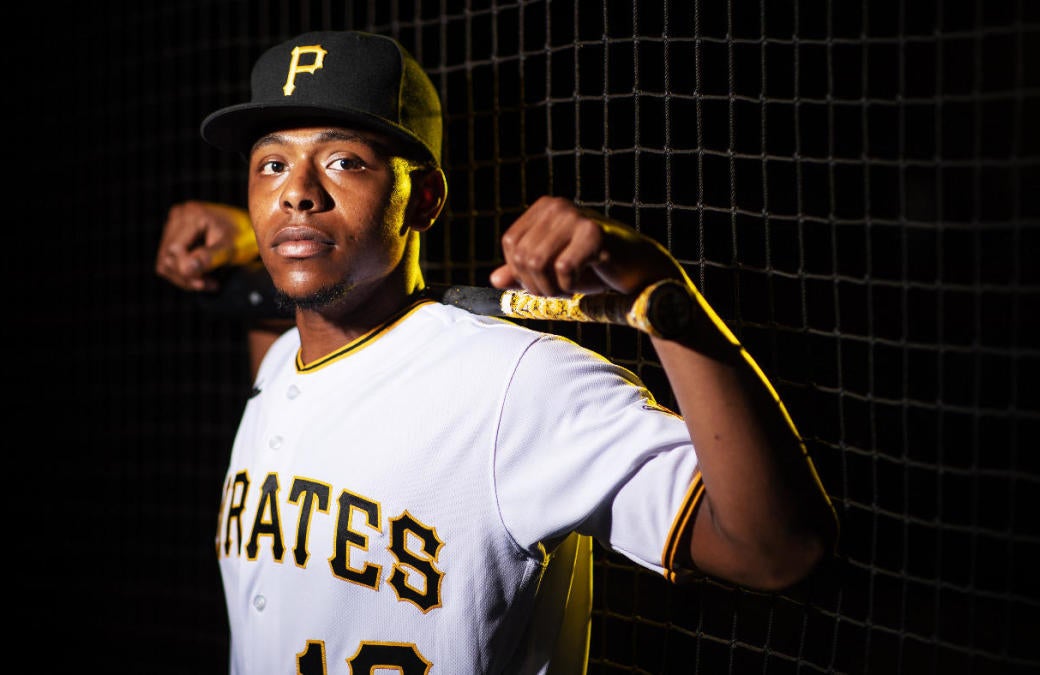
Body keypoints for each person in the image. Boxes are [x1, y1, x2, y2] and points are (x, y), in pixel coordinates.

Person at [154, 30, 838, 675]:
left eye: (344, 162)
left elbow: (775, 549)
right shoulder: (280, 367)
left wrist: (666, 301)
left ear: (422, 199)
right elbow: (328, 394)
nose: (297, 192)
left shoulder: (517, 380)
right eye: (271, 165)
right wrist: (253, 244)